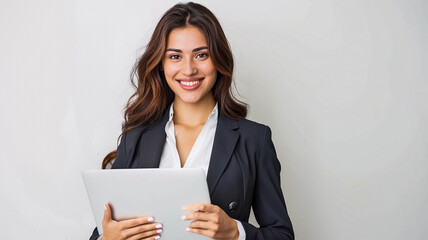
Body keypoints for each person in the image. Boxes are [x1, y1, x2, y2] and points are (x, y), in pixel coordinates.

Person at [90, 2, 294, 240]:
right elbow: (101, 231)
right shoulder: (135, 138)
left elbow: (282, 235)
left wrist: (236, 232)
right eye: (175, 56)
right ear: (161, 64)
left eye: (201, 55)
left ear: (218, 59)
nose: (188, 69)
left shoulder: (254, 140)